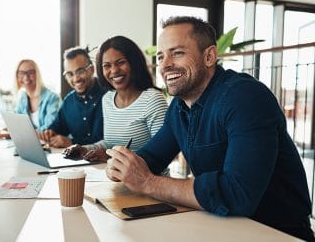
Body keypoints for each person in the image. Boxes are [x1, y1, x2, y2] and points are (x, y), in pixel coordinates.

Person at [105, 16, 314, 241]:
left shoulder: (245, 97)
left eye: (177, 53)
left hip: (277, 233)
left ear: (209, 56)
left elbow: (237, 194)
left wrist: (147, 182)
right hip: (220, 227)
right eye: (161, 56)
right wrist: (123, 165)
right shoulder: (178, 106)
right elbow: (151, 158)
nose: (165, 65)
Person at [64, 36, 168, 162]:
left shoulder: (153, 99)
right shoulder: (107, 99)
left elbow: (161, 154)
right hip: (113, 177)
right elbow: (109, 143)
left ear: (133, 63)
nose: (114, 70)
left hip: (146, 180)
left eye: (120, 62)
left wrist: (110, 156)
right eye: (107, 66)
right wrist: (84, 149)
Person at [38, 46, 107, 148]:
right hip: (76, 161)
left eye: (80, 71)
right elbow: (58, 126)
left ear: (92, 69)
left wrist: (72, 142)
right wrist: (50, 132)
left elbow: (108, 140)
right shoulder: (68, 101)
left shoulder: (109, 96)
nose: (75, 78)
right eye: (70, 74)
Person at [0, 59, 60, 139]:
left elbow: (47, 131)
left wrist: (9, 134)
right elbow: (16, 125)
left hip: (52, 146)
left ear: (37, 74)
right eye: (21, 73)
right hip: (32, 145)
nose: (26, 77)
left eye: (30, 72)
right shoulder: (23, 97)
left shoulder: (52, 98)